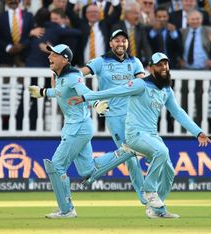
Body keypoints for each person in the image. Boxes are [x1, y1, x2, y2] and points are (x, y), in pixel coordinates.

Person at [69, 52, 211, 219]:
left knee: (169, 172)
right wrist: (86, 97)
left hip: (151, 135)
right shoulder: (140, 84)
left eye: (166, 64)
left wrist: (198, 132)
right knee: (162, 151)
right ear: (151, 68)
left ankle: (157, 210)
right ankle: (149, 191)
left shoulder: (166, 89)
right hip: (135, 134)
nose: (164, 67)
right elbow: (115, 91)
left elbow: (179, 113)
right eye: (160, 65)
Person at [28, 44, 115, 219]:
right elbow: (61, 92)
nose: (49, 57)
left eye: (54, 54)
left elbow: (85, 91)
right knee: (87, 171)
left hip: (77, 128)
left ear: (65, 59)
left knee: (57, 166)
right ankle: (125, 152)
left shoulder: (73, 76)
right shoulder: (61, 77)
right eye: (50, 54)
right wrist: (43, 92)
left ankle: (66, 210)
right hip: (79, 127)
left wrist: (97, 104)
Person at [79, 29, 146, 205]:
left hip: (134, 116)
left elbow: (142, 85)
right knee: (130, 156)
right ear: (110, 43)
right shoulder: (101, 61)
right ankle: (145, 197)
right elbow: (80, 74)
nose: (121, 43)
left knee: (136, 152)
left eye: (124, 40)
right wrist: (67, 76)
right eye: (117, 40)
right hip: (114, 116)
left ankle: (94, 171)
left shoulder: (135, 62)